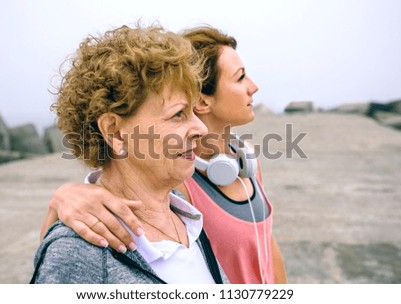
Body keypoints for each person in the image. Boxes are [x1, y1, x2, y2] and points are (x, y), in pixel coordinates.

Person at [40, 26, 287, 284]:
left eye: (192, 111)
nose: (200, 128)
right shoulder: (74, 253)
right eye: (178, 114)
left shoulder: (185, 218)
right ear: (114, 131)